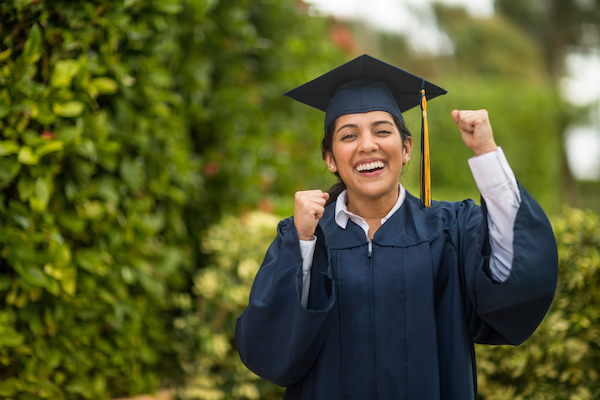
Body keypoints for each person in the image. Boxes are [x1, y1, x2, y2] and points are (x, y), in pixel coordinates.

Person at [236, 54, 558, 400]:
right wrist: (302, 242)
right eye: (348, 136)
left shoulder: (451, 230)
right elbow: (271, 345)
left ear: (406, 149)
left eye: (382, 131)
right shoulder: (304, 234)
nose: (367, 145)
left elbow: (517, 278)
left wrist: (486, 153)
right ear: (330, 158)